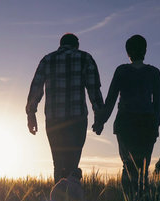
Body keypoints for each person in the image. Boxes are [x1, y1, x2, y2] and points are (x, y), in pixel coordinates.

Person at [26, 33, 104, 184]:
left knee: (58, 163)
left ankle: (60, 199)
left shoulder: (47, 60)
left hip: (54, 120)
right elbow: (94, 90)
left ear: (60, 44)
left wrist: (31, 113)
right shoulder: (85, 58)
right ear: (77, 45)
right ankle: (72, 200)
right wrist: (99, 117)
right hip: (77, 120)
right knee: (72, 164)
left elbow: (36, 87)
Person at [93, 34, 160, 195]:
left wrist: (100, 121)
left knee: (128, 165)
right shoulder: (154, 72)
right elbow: (158, 104)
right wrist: (155, 126)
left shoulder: (122, 71)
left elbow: (110, 100)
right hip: (147, 124)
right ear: (145, 50)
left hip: (126, 124)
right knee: (143, 167)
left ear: (127, 52)